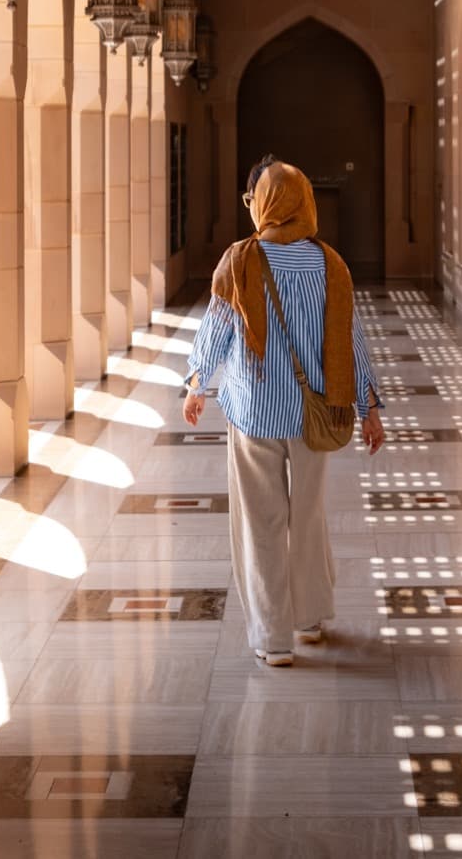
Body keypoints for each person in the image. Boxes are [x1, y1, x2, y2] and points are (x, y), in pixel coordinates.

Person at [182, 155, 386, 667]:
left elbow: (218, 326)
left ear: (264, 204)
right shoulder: (330, 264)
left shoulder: (241, 259)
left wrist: (197, 383)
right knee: (308, 515)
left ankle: (273, 641)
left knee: (263, 522)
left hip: (255, 412)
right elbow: (351, 340)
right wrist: (368, 407)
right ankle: (310, 621)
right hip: (318, 413)